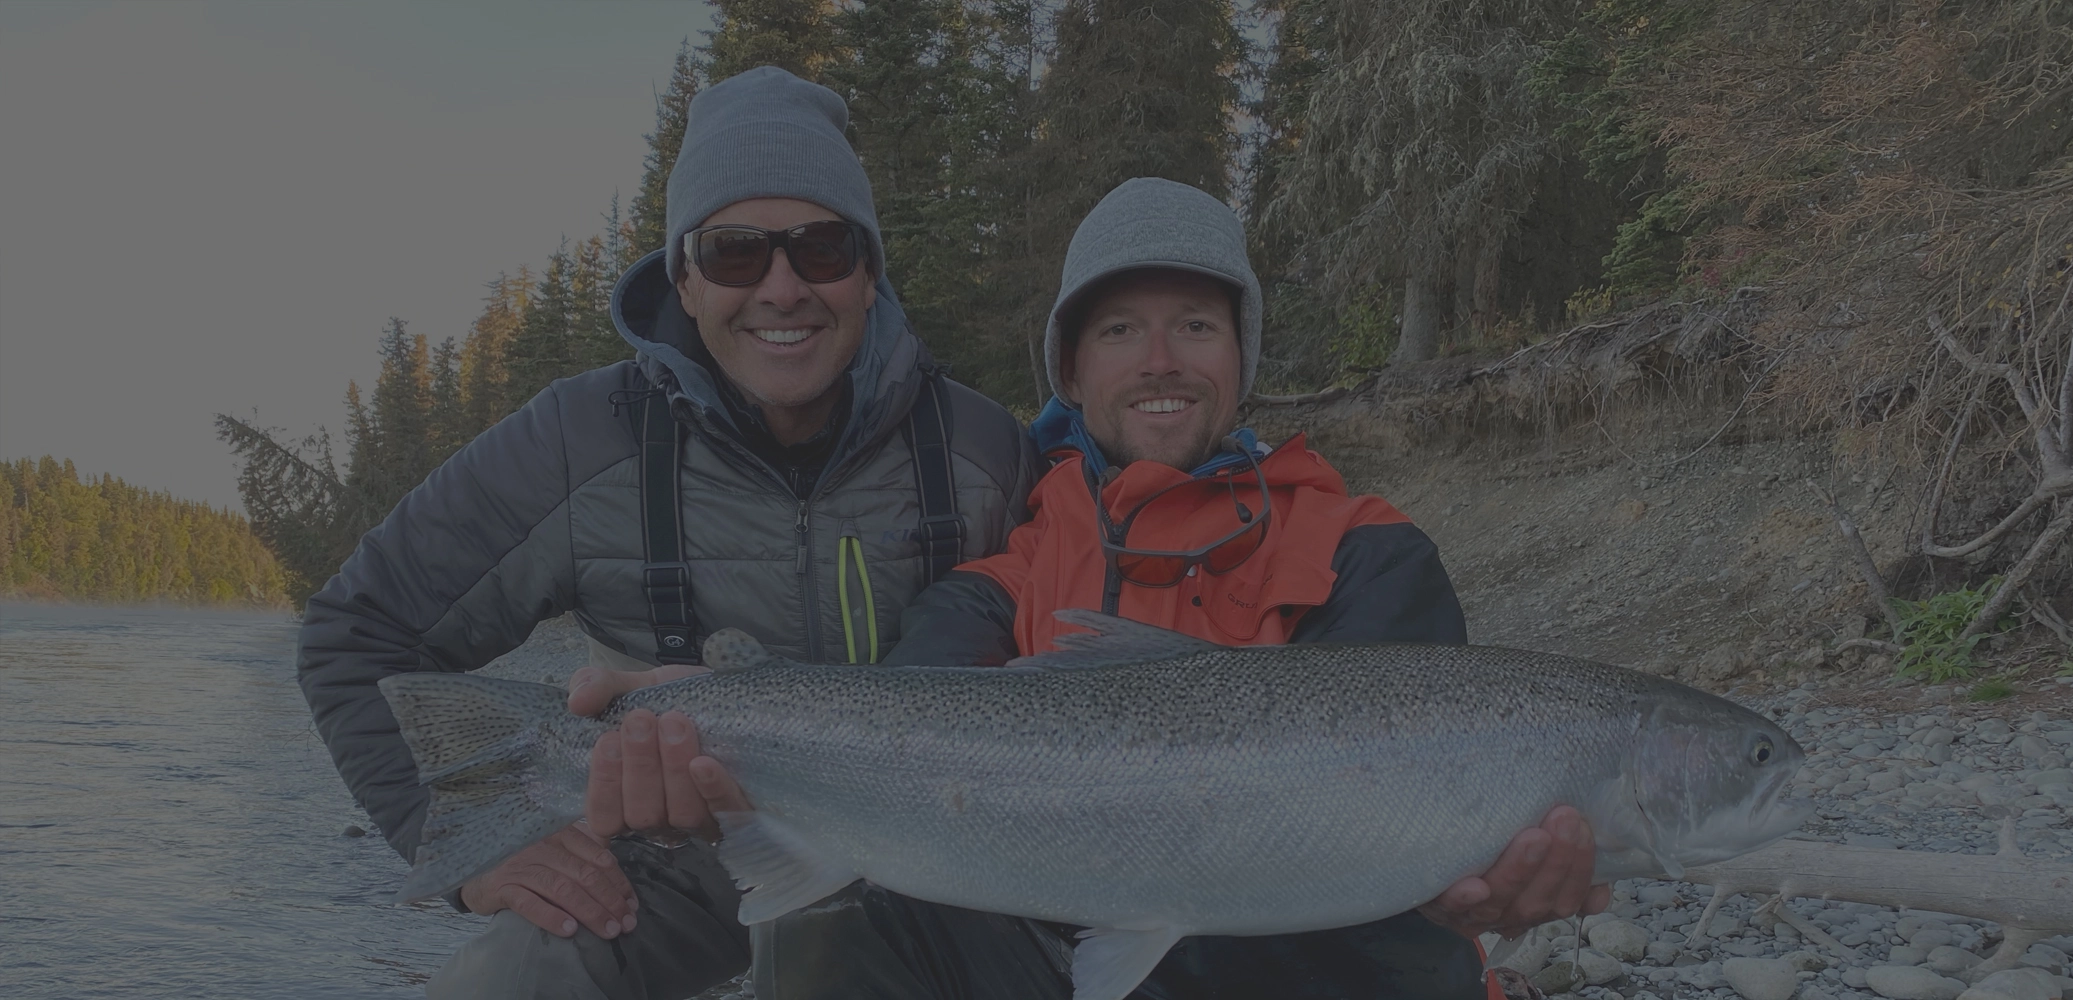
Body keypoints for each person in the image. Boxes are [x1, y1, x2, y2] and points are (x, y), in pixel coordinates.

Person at [577, 178, 1610, 999]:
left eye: (1197, 325)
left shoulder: (1367, 550)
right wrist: (703, 721)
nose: (1160, 361)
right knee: (827, 925)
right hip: (1081, 969)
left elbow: (1428, 857)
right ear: (1069, 374)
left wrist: (1479, 884)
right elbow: (881, 734)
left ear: (1241, 358)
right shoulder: (1000, 579)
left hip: (1335, 981)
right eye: (1118, 331)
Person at [296, 66, 1039, 1000]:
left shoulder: (985, 451)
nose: (782, 288)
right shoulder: (577, 442)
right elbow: (353, 633)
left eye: (821, 248)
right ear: (684, 280)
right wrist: (465, 856)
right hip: (683, 861)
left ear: (868, 272)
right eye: (735, 253)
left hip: (946, 851)